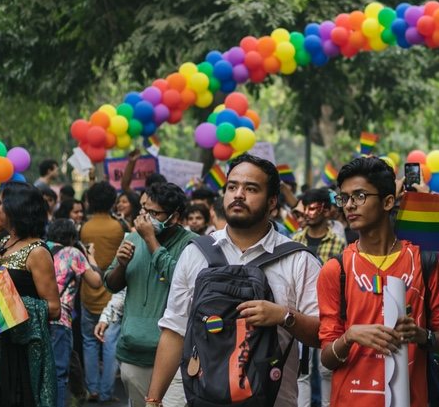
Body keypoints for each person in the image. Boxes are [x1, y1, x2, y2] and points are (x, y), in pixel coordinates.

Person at [146, 154, 322, 407]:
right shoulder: (195, 252)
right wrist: (153, 399)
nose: (239, 194)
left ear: (272, 202)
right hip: (202, 398)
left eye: (251, 189)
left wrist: (284, 316)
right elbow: (174, 330)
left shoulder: (298, 260)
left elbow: (322, 335)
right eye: (232, 187)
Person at [316, 157, 439, 406]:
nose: (349, 206)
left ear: (388, 201)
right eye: (344, 198)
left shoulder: (425, 264)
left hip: (410, 399)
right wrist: (350, 337)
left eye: (359, 196)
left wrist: (421, 335)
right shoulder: (336, 270)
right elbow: (327, 358)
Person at [103, 183, 195, 407]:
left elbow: (183, 283)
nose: (145, 218)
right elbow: (111, 285)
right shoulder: (131, 240)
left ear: (174, 217)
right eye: (144, 210)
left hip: (176, 358)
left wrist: (151, 242)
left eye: (154, 213)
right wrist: (121, 265)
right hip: (133, 353)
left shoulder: (192, 244)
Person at [0, 182, 60, 407]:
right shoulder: (3, 242)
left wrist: (8, 303)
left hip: (20, 352)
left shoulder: (37, 252)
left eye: (0, 202)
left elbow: (54, 308)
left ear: (17, 208)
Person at [291, 188, 346, 407]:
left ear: (326, 210)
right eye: (305, 208)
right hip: (300, 313)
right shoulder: (294, 242)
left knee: (327, 370)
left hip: (330, 314)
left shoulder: (339, 243)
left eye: (313, 208)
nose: (307, 213)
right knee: (302, 371)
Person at [46, 219, 103, 407]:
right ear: (72, 237)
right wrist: (90, 256)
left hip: (37, 317)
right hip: (59, 320)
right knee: (59, 373)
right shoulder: (73, 253)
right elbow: (96, 282)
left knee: (41, 372)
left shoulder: (41, 249)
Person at [79, 181, 126, 403]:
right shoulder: (118, 228)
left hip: (88, 291)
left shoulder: (84, 228)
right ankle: (107, 392)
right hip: (112, 293)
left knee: (89, 341)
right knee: (110, 342)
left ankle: (93, 389)